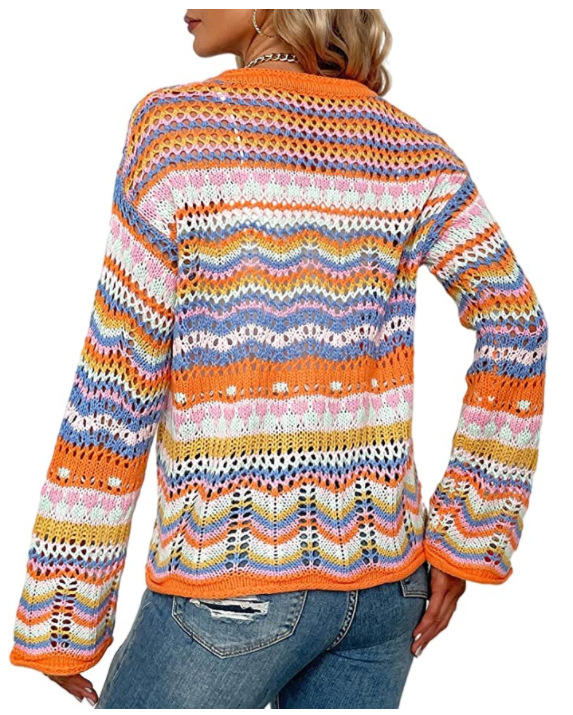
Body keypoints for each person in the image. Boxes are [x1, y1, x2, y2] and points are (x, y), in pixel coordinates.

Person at [9, 8, 548, 709]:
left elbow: (118, 377)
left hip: (230, 579)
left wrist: (67, 607)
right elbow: (517, 323)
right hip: (385, 588)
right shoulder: (412, 149)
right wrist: (468, 531)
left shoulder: (178, 133)